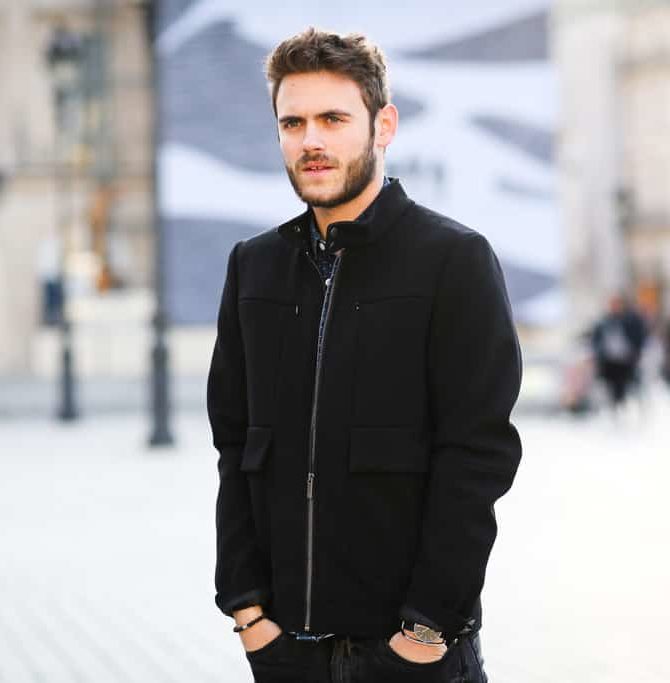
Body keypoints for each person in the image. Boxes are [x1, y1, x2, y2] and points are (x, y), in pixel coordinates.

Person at [207, 27, 522, 683]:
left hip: (411, 653)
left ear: (384, 126)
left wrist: (426, 630)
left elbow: (478, 455)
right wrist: (247, 611)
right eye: (292, 122)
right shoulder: (253, 268)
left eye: (333, 119)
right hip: (285, 653)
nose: (311, 141)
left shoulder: (453, 261)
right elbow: (234, 447)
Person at [590, 294, 647, 411]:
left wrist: (636, 351)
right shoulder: (604, 321)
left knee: (626, 384)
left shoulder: (631, 320)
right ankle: (615, 406)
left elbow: (640, 336)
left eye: (616, 304)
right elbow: (595, 338)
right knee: (611, 385)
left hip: (626, 359)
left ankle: (626, 405)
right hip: (609, 360)